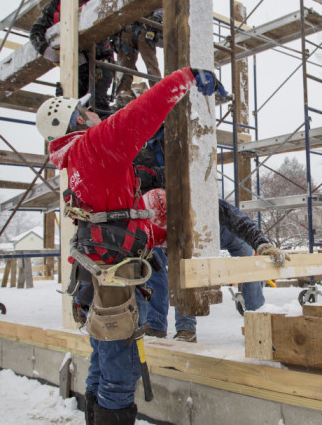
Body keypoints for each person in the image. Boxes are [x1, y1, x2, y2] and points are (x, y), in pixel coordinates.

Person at [35, 66, 225, 424]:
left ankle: (95, 415)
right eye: (85, 109)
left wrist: (153, 230)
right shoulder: (95, 145)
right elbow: (141, 114)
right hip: (115, 281)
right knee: (120, 375)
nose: (94, 111)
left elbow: (112, 217)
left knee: (103, 361)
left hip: (100, 275)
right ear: (77, 120)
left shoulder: (78, 159)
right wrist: (186, 78)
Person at [134, 131, 275, 342]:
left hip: (198, 223)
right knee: (162, 264)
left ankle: (258, 317)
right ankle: (170, 327)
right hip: (159, 220)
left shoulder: (194, 196)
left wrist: (261, 242)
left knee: (242, 249)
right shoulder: (140, 212)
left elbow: (232, 215)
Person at [141, 193, 281, 342]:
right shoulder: (153, 221)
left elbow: (239, 220)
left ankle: (258, 322)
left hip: (225, 234)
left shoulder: (203, 202)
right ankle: (185, 329)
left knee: (249, 264)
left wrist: (261, 243)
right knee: (183, 270)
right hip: (186, 237)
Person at [30, 0, 115, 114]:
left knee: (96, 103)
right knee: (68, 106)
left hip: (100, 60)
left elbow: (112, 22)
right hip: (77, 64)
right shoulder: (55, 7)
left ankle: (105, 123)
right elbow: (36, 31)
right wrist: (48, 51)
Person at [112, 8, 163, 109]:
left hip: (144, 28)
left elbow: (160, 7)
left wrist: (156, 19)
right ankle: (122, 98)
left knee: (150, 65)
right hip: (128, 29)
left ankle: (158, 95)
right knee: (125, 69)